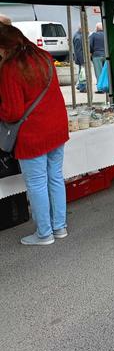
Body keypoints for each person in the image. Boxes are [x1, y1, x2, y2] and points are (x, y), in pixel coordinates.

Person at [0, 25, 69, 245]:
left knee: (38, 184)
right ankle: (59, 228)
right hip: (56, 127)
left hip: (33, 135)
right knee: (55, 178)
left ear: (4, 47)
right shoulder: (44, 56)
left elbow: (12, 112)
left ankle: (44, 234)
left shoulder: (10, 68)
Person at [72, 28, 86, 92]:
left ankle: (79, 85)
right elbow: (79, 51)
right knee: (82, 74)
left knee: (81, 73)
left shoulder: (77, 35)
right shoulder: (78, 38)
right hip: (81, 58)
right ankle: (82, 87)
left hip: (80, 58)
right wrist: (82, 61)